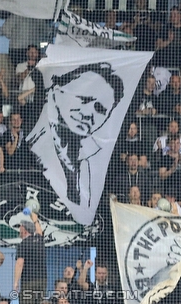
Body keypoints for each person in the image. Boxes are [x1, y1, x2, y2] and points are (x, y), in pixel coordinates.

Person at [28, 63, 125, 226]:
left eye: (100, 109)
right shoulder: (32, 138)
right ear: (57, 90)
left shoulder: (92, 161)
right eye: (84, 99)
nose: (89, 114)